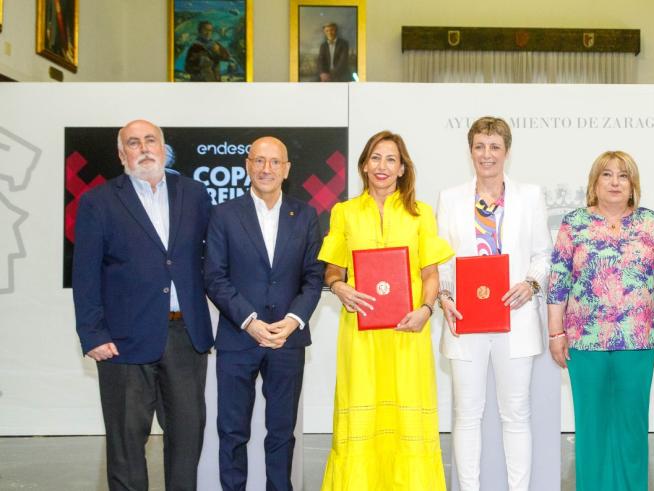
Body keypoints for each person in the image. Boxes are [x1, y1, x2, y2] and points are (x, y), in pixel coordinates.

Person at [72, 119, 213, 491]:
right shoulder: (98, 201)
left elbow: (212, 261)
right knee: (126, 443)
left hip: (186, 335)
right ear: (122, 155)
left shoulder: (195, 194)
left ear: (163, 147)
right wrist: (92, 333)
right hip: (122, 342)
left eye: (151, 140)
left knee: (187, 439)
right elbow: (84, 274)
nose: (145, 148)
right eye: (134, 143)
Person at [320, 131, 453, 490]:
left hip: (408, 332)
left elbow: (431, 273)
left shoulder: (421, 214)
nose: (382, 166)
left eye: (391, 159)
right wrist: (338, 286)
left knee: (407, 417)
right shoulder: (344, 212)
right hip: (360, 336)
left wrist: (426, 310)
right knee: (361, 412)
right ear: (364, 165)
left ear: (402, 168)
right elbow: (332, 269)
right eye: (376, 158)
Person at [547, 151, 654, 491]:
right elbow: (558, 281)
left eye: (623, 175)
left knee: (631, 427)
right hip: (585, 341)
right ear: (594, 183)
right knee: (591, 427)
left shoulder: (650, 223)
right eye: (607, 175)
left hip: (637, 342)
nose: (615, 182)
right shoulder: (574, 223)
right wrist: (555, 332)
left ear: (633, 184)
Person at [435, 117, 551, 491]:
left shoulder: (530, 195)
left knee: (516, 413)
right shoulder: (450, 198)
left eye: (495, 147)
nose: (487, 155)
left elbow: (543, 255)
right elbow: (440, 261)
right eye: (480, 147)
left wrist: (531, 284)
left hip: (514, 318)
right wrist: (444, 296)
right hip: (464, 319)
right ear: (470, 151)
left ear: (507, 151)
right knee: (466, 414)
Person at [204, 136, 324, 491]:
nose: (266, 168)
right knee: (232, 431)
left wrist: (292, 321)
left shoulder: (305, 215)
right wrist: (250, 322)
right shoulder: (223, 214)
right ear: (247, 165)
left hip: (288, 340)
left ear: (287, 169)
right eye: (259, 161)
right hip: (239, 338)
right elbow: (214, 276)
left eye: (275, 162)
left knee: (282, 432)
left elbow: (314, 277)